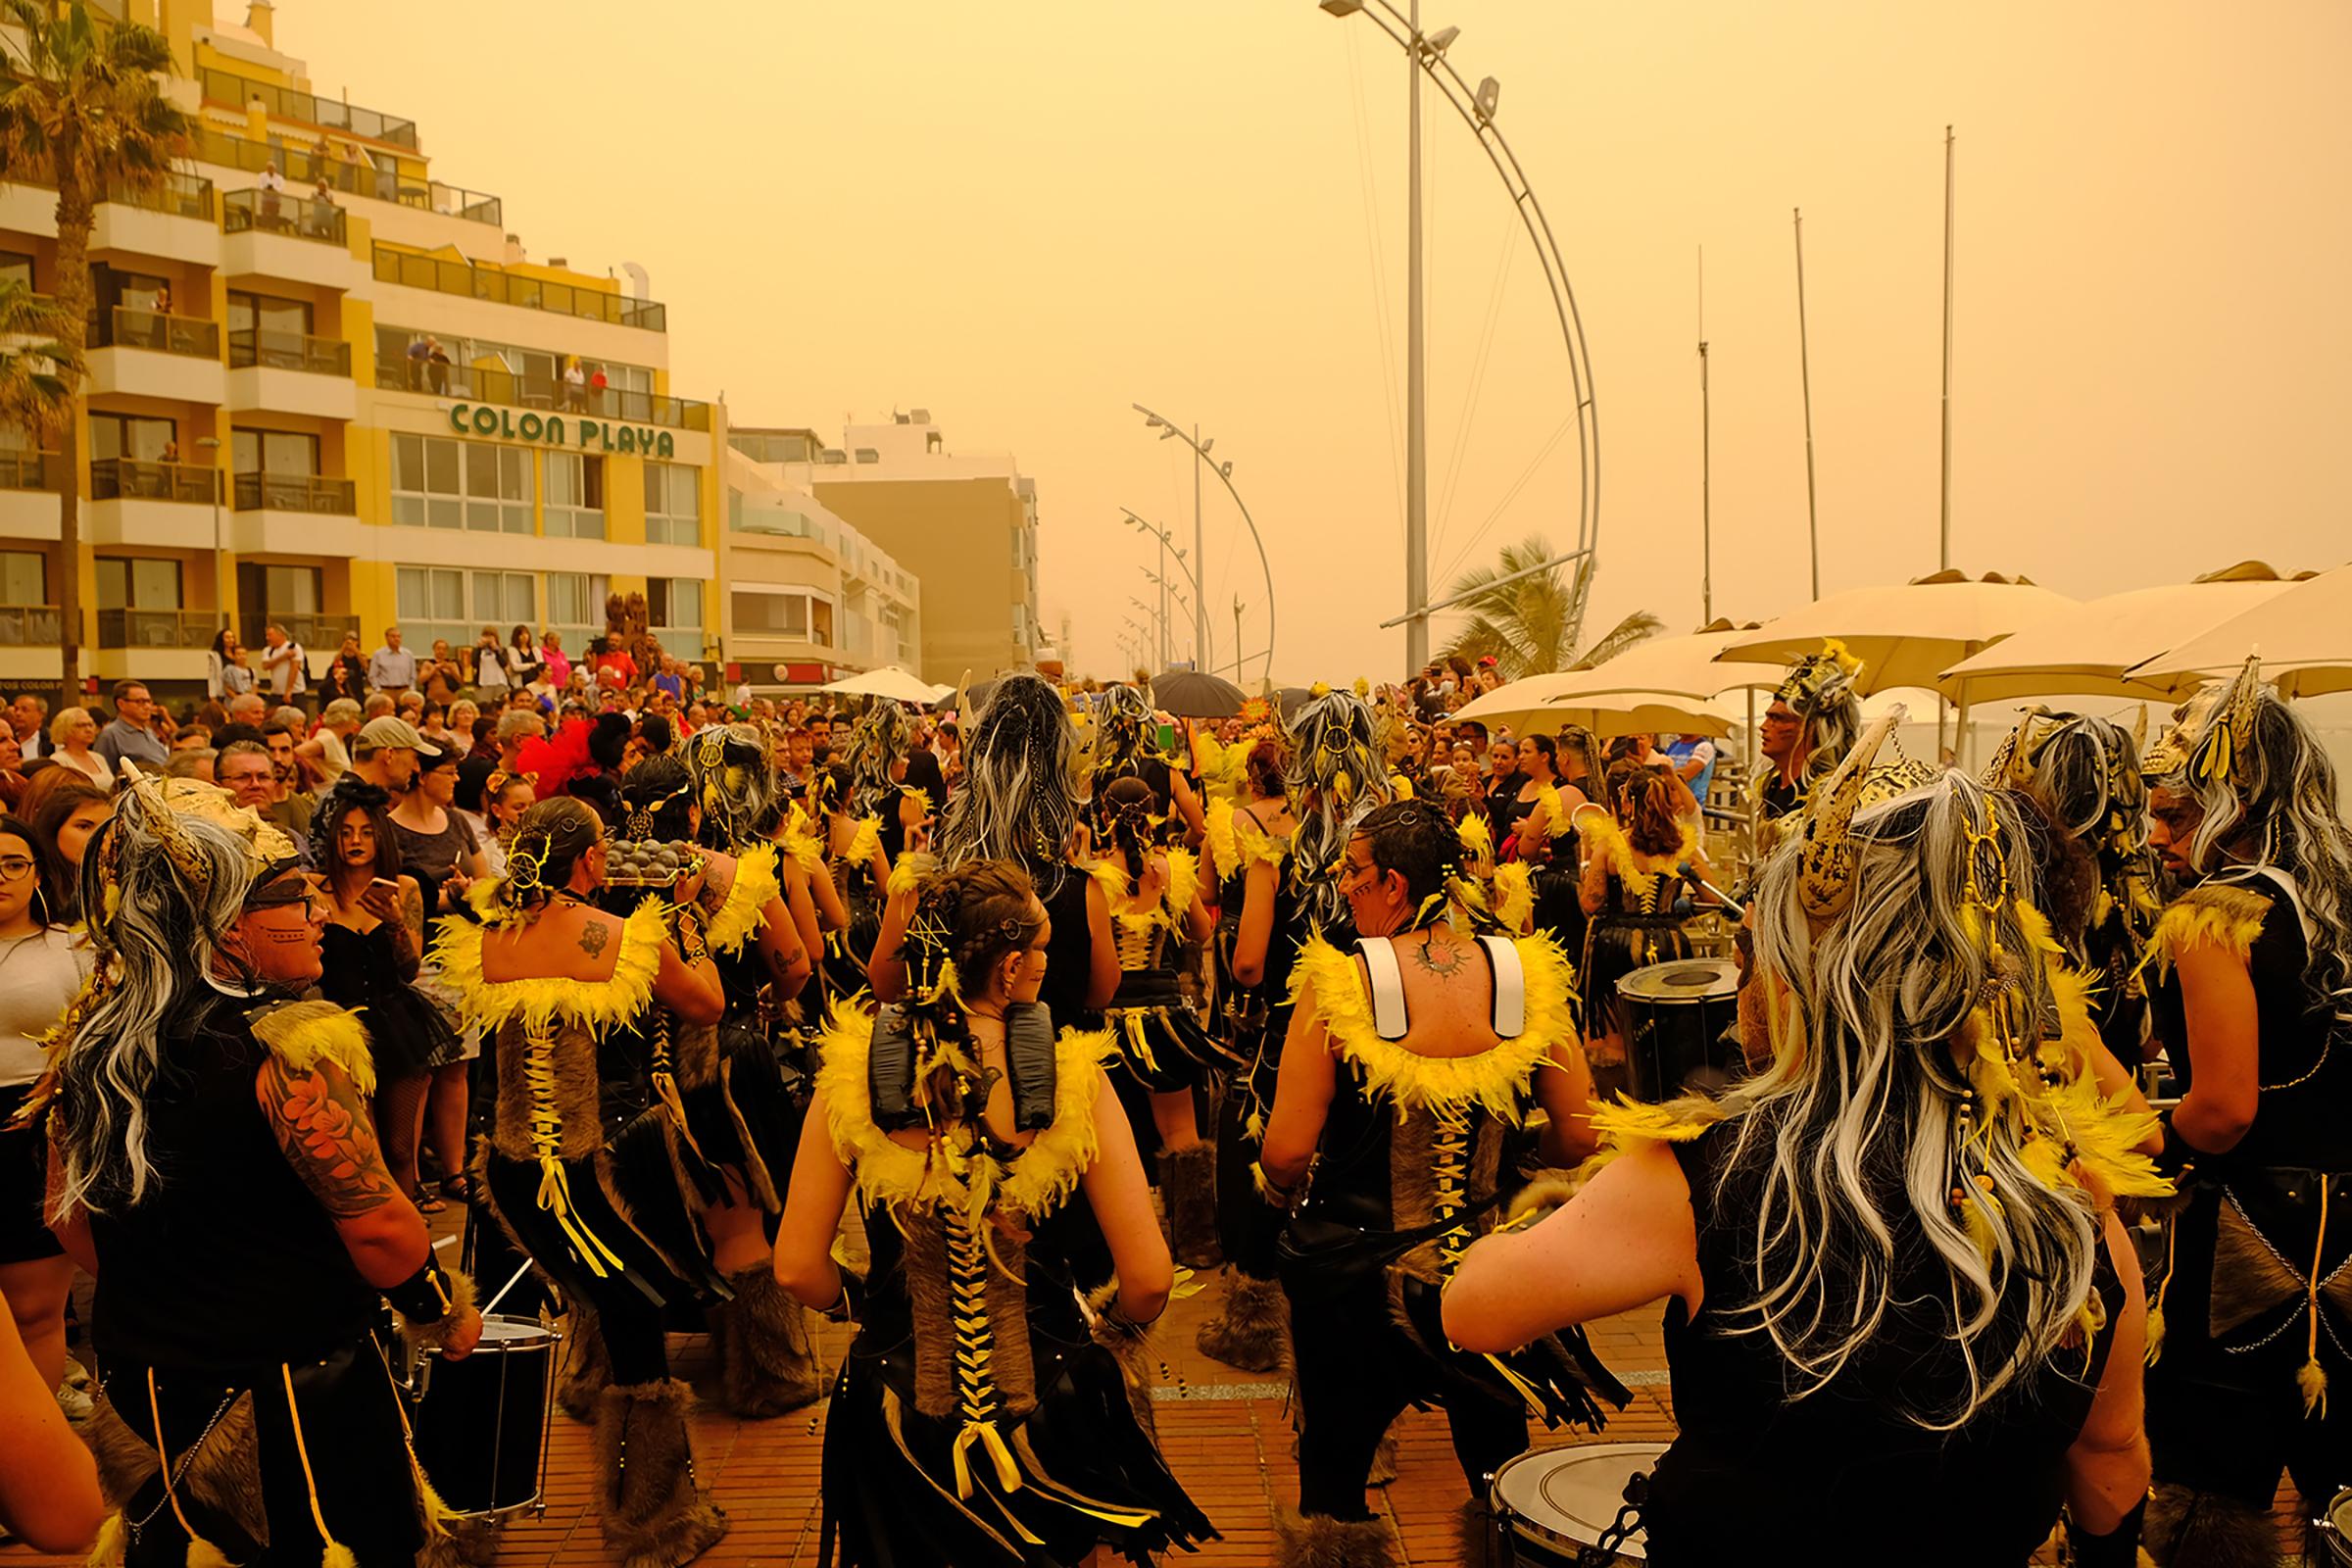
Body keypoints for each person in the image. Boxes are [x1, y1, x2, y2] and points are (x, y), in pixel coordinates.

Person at [1444, 723, 2164, 1568]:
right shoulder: (2074, 1200)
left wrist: (1572, 1199)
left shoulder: (1709, 1173)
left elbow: (1474, 1307)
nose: (1746, 978)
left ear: (1811, 972)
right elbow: (2111, 1456)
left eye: (1757, 949)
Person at [42, 767, 481, 1562]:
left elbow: (69, 1222)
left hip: (149, 1388)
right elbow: (382, 1229)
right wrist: (439, 1308)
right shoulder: (290, 1054)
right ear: (224, 925)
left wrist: (179, 1284)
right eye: (292, 897)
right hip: (294, 1394)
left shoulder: (91, 1046)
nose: (318, 913)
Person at [775, 858, 1216, 1565]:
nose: (1049, 961)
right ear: (1009, 966)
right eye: (1042, 948)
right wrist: (1116, 1329)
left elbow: (796, 1268)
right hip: (1053, 1399)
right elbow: (1151, 1276)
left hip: (894, 1412)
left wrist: (867, 1305)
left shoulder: (849, 1077)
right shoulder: (1076, 1077)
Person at [1259, 798, 1618, 1562]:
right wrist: (1514, 1162)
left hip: (1352, 1275)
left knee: (1335, 1475)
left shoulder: (1342, 981)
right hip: (1484, 1270)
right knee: (1498, 1468)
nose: (1343, 889)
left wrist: (1278, 1191)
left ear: (1393, 884)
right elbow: (1580, 1133)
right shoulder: (1526, 971)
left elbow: (1286, 1150)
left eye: (1352, 874)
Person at [432, 797, 731, 1564]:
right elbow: (707, 1004)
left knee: (489, 1329)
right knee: (635, 1313)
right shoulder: (624, 939)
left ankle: (458, 1516)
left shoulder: (486, 930)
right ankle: (652, 1525)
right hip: (576, 1176)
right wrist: (686, 922)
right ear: (593, 861)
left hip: (502, 1171)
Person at [2136, 658, 2352, 1564]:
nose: (2154, 834)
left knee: (2207, 1492)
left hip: (2243, 1254)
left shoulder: (2214, 914)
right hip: (2346, 1238)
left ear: (2238, 803)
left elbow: (2223, 1110)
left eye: (2177, 812)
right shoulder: (2336, 900)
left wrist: (2146, 1141)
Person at [597, 756, 818, 1418]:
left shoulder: (593, 875)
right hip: (717, 1071)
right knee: (737, 1213)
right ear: (693, 810)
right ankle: (768, 1373)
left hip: (619, 1079)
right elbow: (797, 967)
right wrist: (774, 1005)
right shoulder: (730, 875)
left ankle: (599, 1371)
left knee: (621, 1224)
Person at [1196, 690, 1388, 1373]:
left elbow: (1247, 964)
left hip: (1294, 1035)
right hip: (1387, 1033)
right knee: (1362, 1173)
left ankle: (1255, 1324)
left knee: (1272, 1163)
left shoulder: (1275, 853)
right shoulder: (1397, 843)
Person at [1093, 774, 1222, 1267]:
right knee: (1180, 1131)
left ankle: (1121, 1243)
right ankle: (1197, 1241)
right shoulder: (1172, 871)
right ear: (1155, 814)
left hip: (1107, 1018)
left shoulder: (1093, 875)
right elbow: (1202, 932)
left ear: (1104, 815)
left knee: (1112, 1135)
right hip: (1166, 1016)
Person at [313, 782, 452, 1203]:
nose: (355, 841)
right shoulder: (312, 889)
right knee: (362, 1148)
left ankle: (414, 1242)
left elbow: (410, 969)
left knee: (399, 1147)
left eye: (366, 832)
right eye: (346, 832)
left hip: (396, 1026)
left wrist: (393, 923)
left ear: (381, 837)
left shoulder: (405, 888)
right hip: (338, 1030)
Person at [0, 816, 94, 1408]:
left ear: (37, 873)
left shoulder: (73, 947)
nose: (0, 877)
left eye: (13, 863)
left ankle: (30, 1448)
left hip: (34, 1130)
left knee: (34, 1311)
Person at [1579, 760, 1719, 1074]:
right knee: (1666, 1030)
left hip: (1616, 945)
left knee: (1615, 1041)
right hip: (1669, 945)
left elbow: (1591, 903)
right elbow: (1712, 896)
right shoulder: (1684, 846)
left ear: (1629, 802)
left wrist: (1585, 868)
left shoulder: (1610, 845)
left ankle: (1622, 1097)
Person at [1751, 641, 1864, 831]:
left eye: (1778, 718)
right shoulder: (1772, 785)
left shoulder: (1830, 795)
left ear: (1812, 727)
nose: (1763, 727)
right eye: (1768, 717)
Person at [27, 781, 109, 926]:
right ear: (52, 830)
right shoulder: (30, 890)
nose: (100, 837)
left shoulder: (118, 887)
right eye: (84, 826)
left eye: (107, 828)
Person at [93, 681, 167, 778]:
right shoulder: (110, 734)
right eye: (140, 702)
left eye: (149, 701)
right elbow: (104, 775)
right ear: (121, 704)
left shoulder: (149, 732)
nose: (147, 707)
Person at [49, 707, 113, 788]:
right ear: (64, 729)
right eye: (81, 725)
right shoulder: (58, 760)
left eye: (90, 725)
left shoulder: (99, 758)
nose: (88, 730)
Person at [368, 625, 417, 697]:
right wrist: (378, 689)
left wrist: (412, 689)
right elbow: (372, 675)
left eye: (398, 636)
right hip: (385, 690)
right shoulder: (378, 654)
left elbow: (413, 675)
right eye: (393, 636)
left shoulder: (408, 654)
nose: (396, 639)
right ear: (386, 638)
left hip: (404, 690)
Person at [11, 693, 48, 760]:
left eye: (24, 710)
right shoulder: (8, 739)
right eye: (16, 709)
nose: (18, 713)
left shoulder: (50, 742)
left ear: (40, 715)